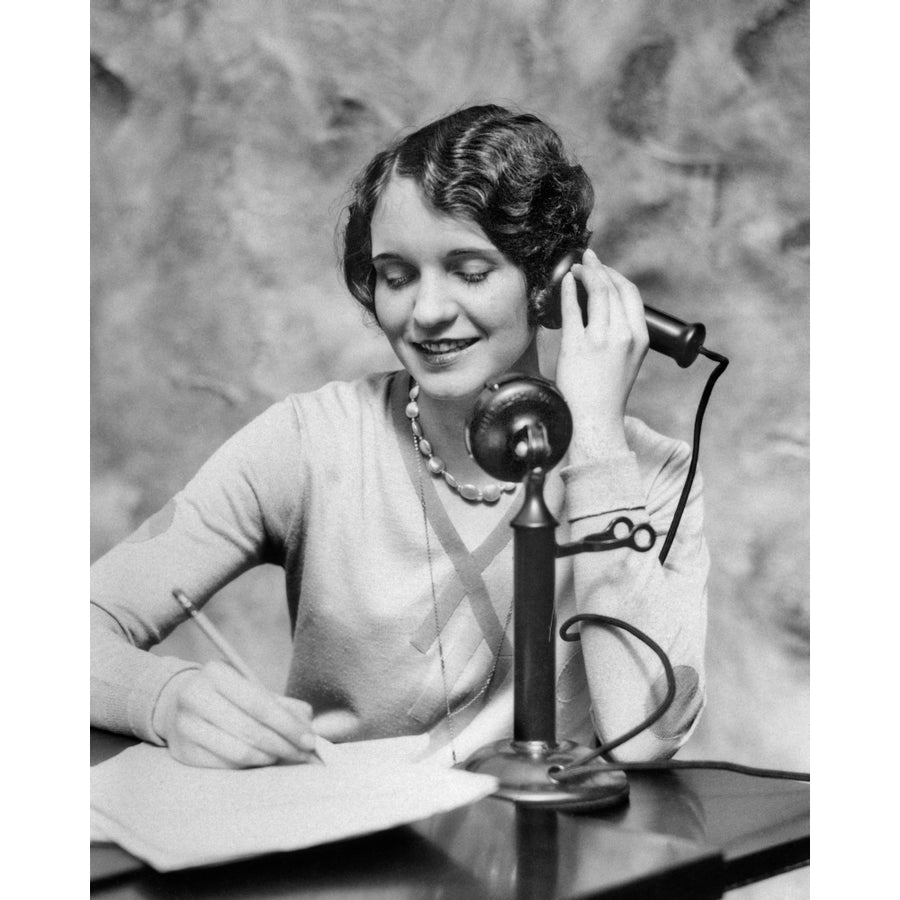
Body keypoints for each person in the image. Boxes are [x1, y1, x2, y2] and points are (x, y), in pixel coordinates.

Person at [90, 104, 709, 770]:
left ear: (549, 284)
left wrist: (595, 443)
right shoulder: (309, 443)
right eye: (396, 276)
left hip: (560, 859)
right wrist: (166, 697)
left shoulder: (651, 475)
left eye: (470, 272)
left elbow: (643, 737)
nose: (428, 312)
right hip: (346, 853)